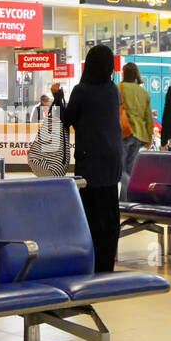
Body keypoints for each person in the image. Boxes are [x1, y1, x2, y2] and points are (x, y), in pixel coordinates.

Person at [54, 45, 122, 272]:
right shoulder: (113, 90)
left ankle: (91, 262)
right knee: (109, 212)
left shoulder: (82, 90)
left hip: (90, 159)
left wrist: (58, 97)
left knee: (91, 212)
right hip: (112, 158)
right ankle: (107, 262)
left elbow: (67, 119)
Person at [118, 62, 153, 199]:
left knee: (120, 169)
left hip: (123, 133)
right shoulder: (143, 92)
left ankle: (125, 199)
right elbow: (148, 117)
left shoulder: (118, 88)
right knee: (129, 169)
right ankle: (127, 199)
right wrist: (149, 138)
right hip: (139, 135)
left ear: (123, 73)